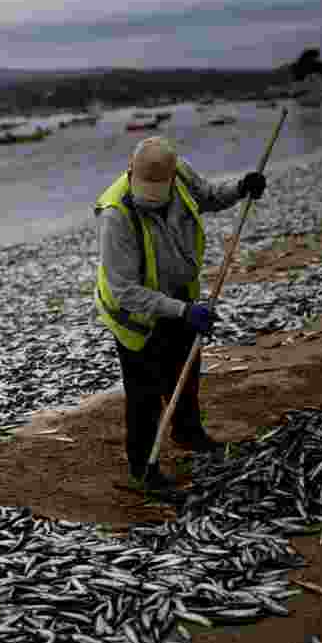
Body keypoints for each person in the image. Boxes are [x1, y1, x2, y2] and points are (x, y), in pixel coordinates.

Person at [94, 136, 266, 496]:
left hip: (179, 300)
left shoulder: (182, 174)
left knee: (185, 369)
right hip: (135, 317)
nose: (152, 199)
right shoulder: (116, 215)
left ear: (173, 176)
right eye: (146, 191)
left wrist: (240, 188)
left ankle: (188, 432)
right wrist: (183, 310)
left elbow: (208, 197)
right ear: (130, 171)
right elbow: (125, 291)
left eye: (160, 191)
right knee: (144, 394)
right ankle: (143, 468)